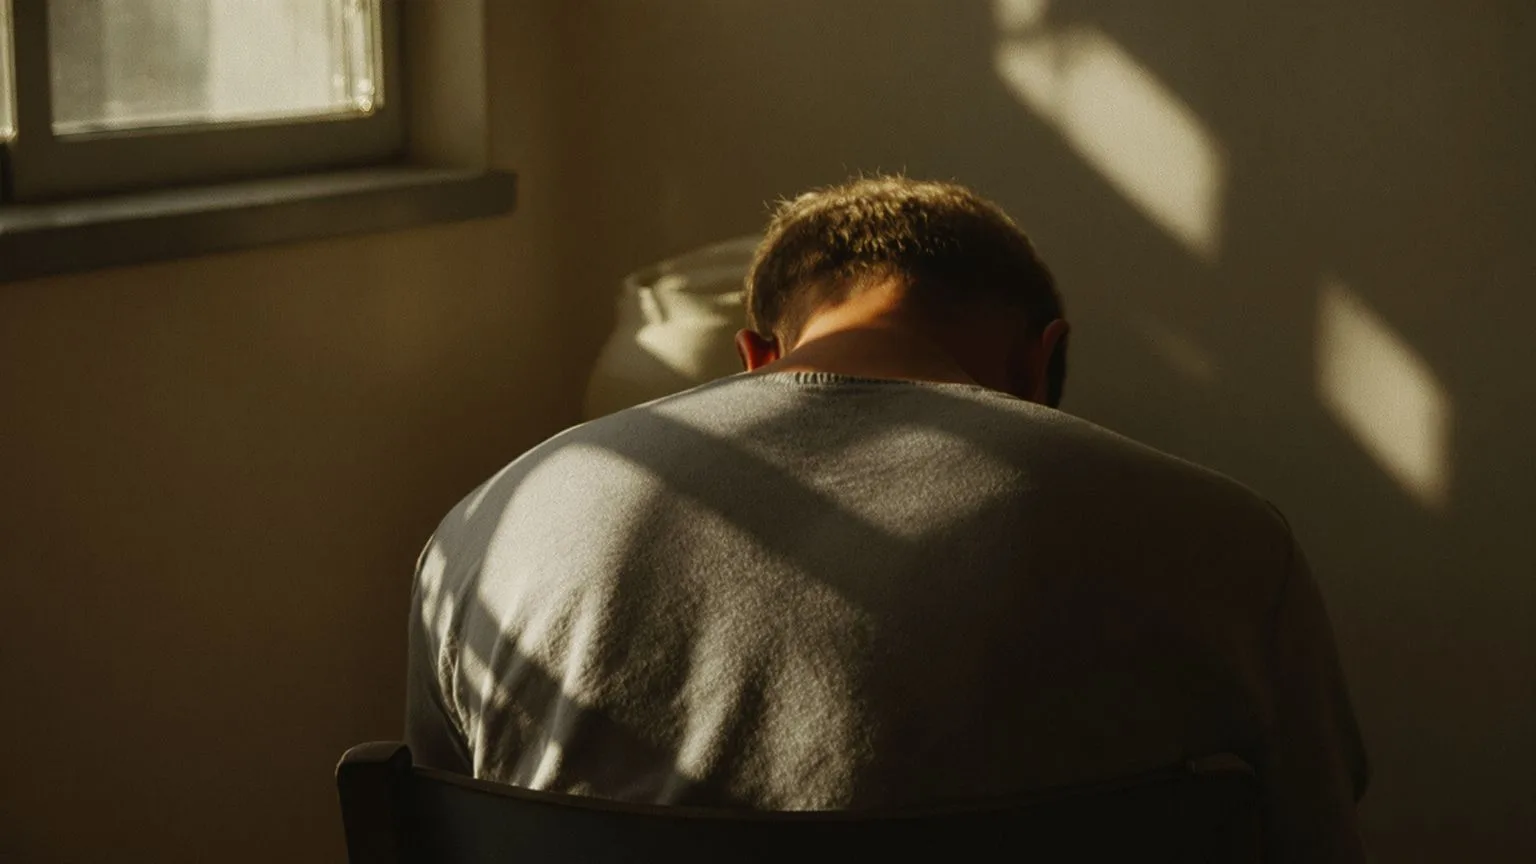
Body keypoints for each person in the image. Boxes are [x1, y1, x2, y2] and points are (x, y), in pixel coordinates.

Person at [406, 176, 1368, 861]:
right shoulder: (1228, 541)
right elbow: (1307, 838)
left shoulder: (490, 520)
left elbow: (445, 828)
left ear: (752, 355)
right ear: (1040, 364)